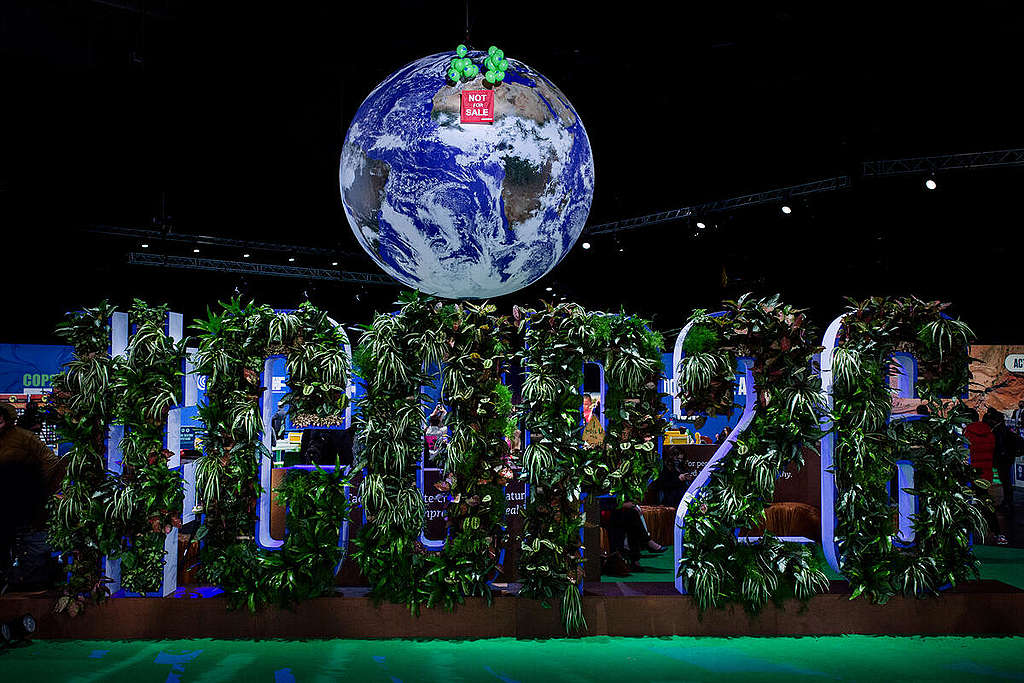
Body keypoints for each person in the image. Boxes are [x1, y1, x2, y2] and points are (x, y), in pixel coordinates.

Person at [0, 402, 65, 591]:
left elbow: (51, 460)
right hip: (6, 506)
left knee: (31, 545)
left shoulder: (23, 437)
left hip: (26, 506)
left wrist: (31, 486)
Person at [966, 408, 1006, 544]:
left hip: (969, 474)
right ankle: (998, 533)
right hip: (985, 474)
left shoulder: (966, 433)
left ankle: (964, 536)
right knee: (986, 504)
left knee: (962, 503)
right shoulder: (989, 433)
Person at [599, 496, 666, 571]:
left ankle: (633, 558)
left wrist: (630, 505)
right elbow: (600, 502)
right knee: (629, 515)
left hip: (616, 510)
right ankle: (643, 546)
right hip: (601, 511)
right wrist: (622, 505)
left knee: (631, 513)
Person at [986, 407, 1019, 514]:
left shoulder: (998, 430)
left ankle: (1008, 502)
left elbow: (999, 446)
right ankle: (1008, 501)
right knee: (1006, 480)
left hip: (1003, 458)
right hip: (1007, 458)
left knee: (1005, 480)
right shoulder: (1004, 429)